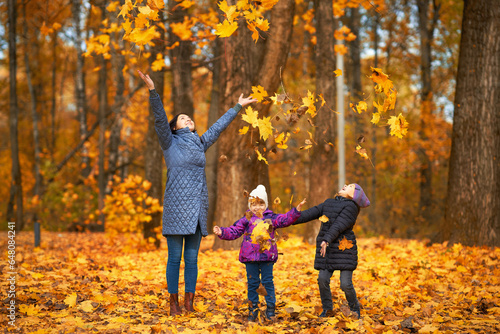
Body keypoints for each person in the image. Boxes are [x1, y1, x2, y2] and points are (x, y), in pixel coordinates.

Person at [138, 70, 257, 316]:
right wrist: (153, 91)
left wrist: (237, 106)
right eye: (183, 118)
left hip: (197, 209)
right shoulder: (169, 142)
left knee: (192, 260)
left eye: (189, 118)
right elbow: (160, 119)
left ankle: (189, 303)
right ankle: (173, 303)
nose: (188, 119)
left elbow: (218, 127)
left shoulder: (200, 143)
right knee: (174, 259)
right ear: (174, 127)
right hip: (175, 208)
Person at [213, 185, 306, 321]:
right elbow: (235, 231)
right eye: (254, 204)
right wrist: (222, 232)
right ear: (250, 205)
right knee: (252, 283)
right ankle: (253, 310)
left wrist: (296, 211)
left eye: (261, 203)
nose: (257, 207)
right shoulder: (246, 219)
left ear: (266, 205)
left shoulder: (271, 218)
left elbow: (284, 219)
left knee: (268, 282)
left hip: (267, 256)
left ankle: (270, 309)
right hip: (250, 257)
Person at [293, 183, 370, 319]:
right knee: (322, 279)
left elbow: (338, 225)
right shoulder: (328, 203)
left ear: (354, 195)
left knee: (345, 284)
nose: (345, 185)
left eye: (350, 186)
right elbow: (311, 213)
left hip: (344, 249)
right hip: (327, 249)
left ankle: (354, 308)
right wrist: (293, 215)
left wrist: (326, 239)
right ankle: (328, 309)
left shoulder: (351, 207)